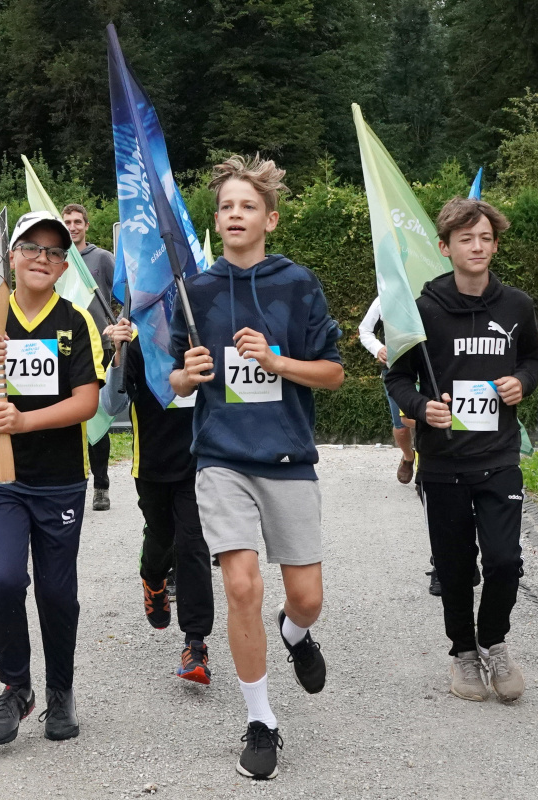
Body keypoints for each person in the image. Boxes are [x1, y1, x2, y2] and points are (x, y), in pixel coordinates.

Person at [169, 155, 343, 780]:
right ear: (216, 221)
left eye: (247, 206)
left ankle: (295, 634)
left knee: (307, 598)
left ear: (269, 219)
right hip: (221, 459)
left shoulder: (298, 284)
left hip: (288, 458)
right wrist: (185, 377)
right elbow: (174, 380)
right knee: (241, 586)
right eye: (226, 207)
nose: (235, 215)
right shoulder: (194, 291)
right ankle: (260, 720)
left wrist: (276, 362)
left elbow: (333, 373)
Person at [0, 210, 105, 745]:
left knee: (57, 593)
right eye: (32, 248)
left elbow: (87, 402)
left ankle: (60, 691)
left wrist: (25, 422)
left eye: (55, 251)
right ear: (10, 257)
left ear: (64, 266)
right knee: (2, 580)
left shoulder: (76, 321)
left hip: (61, 479)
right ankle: (16, 687)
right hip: (3, 479)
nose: (43, 257)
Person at [385, 197, 538, 704]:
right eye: (466, 238)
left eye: (486, 238)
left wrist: (522, 382)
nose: (477, 247)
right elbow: (397, 377)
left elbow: (533, 359)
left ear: (495, 246)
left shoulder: (516, 306)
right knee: (454, 568)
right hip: (444, 463)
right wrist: (423, 406)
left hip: (499, 458)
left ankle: (493, 641)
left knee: (504, 560)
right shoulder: (422, 310)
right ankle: (463, 653)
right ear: (445, 247)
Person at [100, 318, 215, 684]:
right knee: (161, 536)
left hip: (200, 461)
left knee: (193, 544)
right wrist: (117, 354)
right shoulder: (137, 342)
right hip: (152, 465)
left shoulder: (205, 334)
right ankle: (153, 578)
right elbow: (111, 403)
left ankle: (195, 643)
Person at [63, 203, 115, 512]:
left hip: (99, 347)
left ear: (86, 225)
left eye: (77, 221)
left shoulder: (102, 258)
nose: (72, 226)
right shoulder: (57, 259)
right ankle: (71, 486)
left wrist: (117, 325)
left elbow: (123, 294)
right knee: (66, 420)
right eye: (67, 222)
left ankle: (101, 486)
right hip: (64, 349)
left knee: (97, 419)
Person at [358, 297, 414, 482]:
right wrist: (378, 348)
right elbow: (365, 330)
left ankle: (427, 470)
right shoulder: (384, 298)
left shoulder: (434, 293)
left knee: (428, 421)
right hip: (396, 371)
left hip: (430, 371)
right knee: (402, 425)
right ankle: (408, 457)